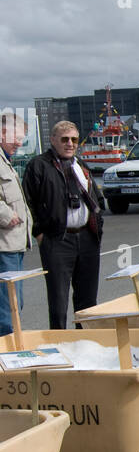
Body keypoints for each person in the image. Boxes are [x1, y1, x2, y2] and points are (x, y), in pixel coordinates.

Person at [22, 120, 104, 329]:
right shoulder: (39, 165)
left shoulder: (81, 165)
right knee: (59, 300)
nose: (70, 144)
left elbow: (95, 198)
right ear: (53, 140)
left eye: (74, 139)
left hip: (87, 237)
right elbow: (28, 201)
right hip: (57, 239)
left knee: (88, 300)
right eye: (65, 139)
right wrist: (39, 233)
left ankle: (87, 341)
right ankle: (60, 341)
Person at [0, 115, 32, 336]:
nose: (20, 144)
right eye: (17, 138)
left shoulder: (5, 160)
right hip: (4, 247)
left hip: (14, 244)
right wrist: (5, 215)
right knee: (6, 312)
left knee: (14, 305)